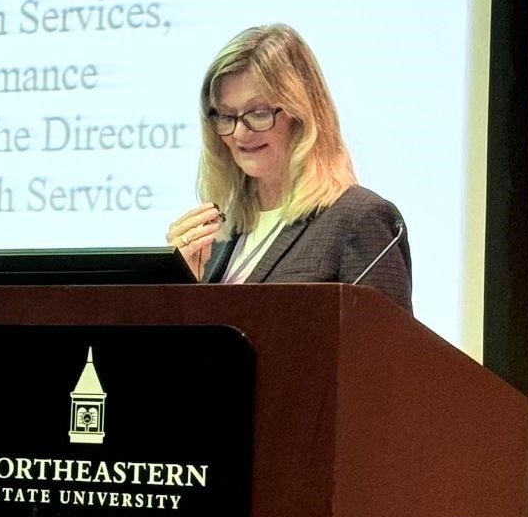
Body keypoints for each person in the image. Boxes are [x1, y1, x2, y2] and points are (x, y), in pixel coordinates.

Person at [165, 24, 412, 307]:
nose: (239, 133)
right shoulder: (219, 236)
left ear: (302, 114)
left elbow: (388, 348)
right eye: (225, 116)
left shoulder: (359, 219)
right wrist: (178, 282)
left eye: (258, 113)